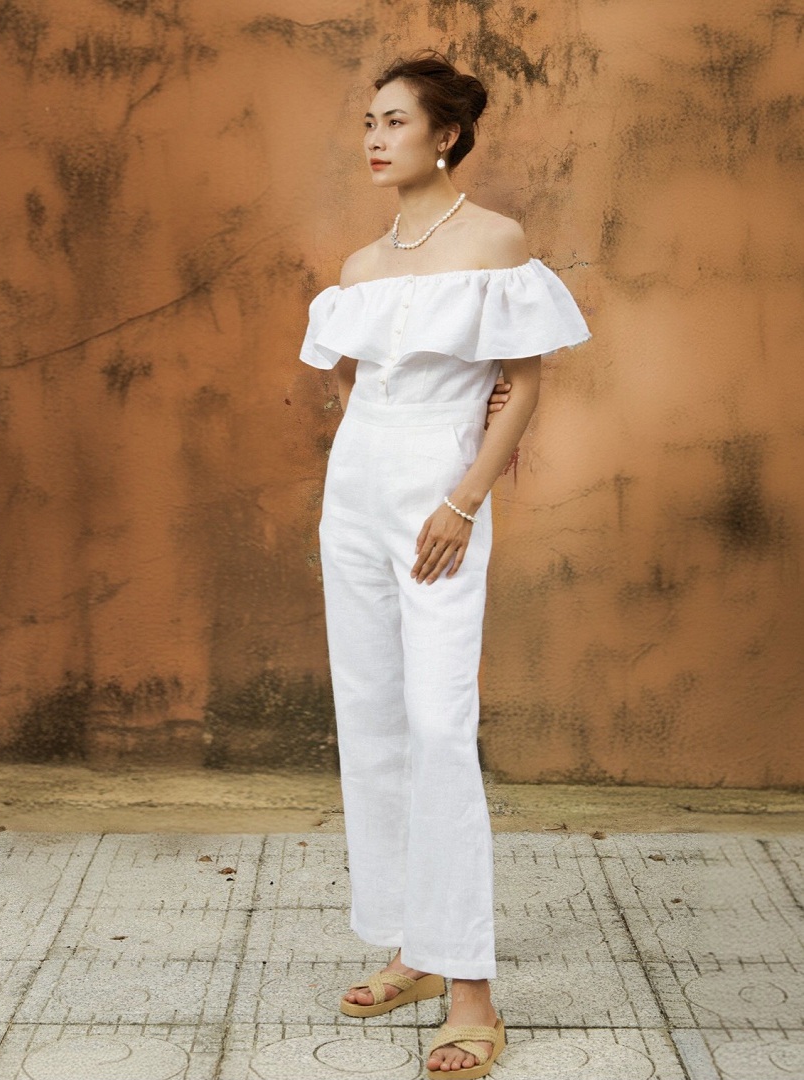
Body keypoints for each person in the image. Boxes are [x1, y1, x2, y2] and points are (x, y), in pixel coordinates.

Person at [299, 51, 590, 1078]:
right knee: (374, 719)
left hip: (439, 498)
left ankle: (472, 991)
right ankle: (413, 950)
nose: (375, 139)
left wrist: (463, 497)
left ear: (447, 134)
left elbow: (524, 381)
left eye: (395, 121)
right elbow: (349, 383)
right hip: (354, 496)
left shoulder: (494, 242)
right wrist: (369, 451)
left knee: (437, 725)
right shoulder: (360, 267)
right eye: (368, 122)